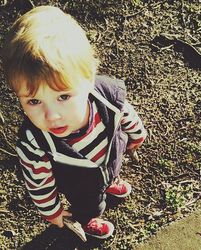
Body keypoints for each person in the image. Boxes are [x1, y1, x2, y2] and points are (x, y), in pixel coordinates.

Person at [1, 6, 147, 239]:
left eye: (63, 97)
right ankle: (89, 218)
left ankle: (111, 180)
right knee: (90, 203)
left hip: (109, 156)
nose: (51, 116)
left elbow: (125, 113)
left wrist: (137, 134)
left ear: (88, 79)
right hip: (79, 186)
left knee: (112, 168)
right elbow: (39, 182)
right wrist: (52, 211)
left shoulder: (106, 97)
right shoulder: (35, 143)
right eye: (34, 101)